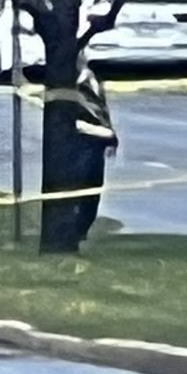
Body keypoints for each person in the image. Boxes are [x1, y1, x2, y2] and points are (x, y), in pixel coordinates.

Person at [66, 65, 118, 244]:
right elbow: (72, 122)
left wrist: (110, 137)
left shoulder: (94, 80)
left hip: (97, 146)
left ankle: (81, 231)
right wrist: (104, 133)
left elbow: (102, 112)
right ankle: (73, 234)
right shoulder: (68, 86)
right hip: (80, 144)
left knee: (93, 191)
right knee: (78, 191)